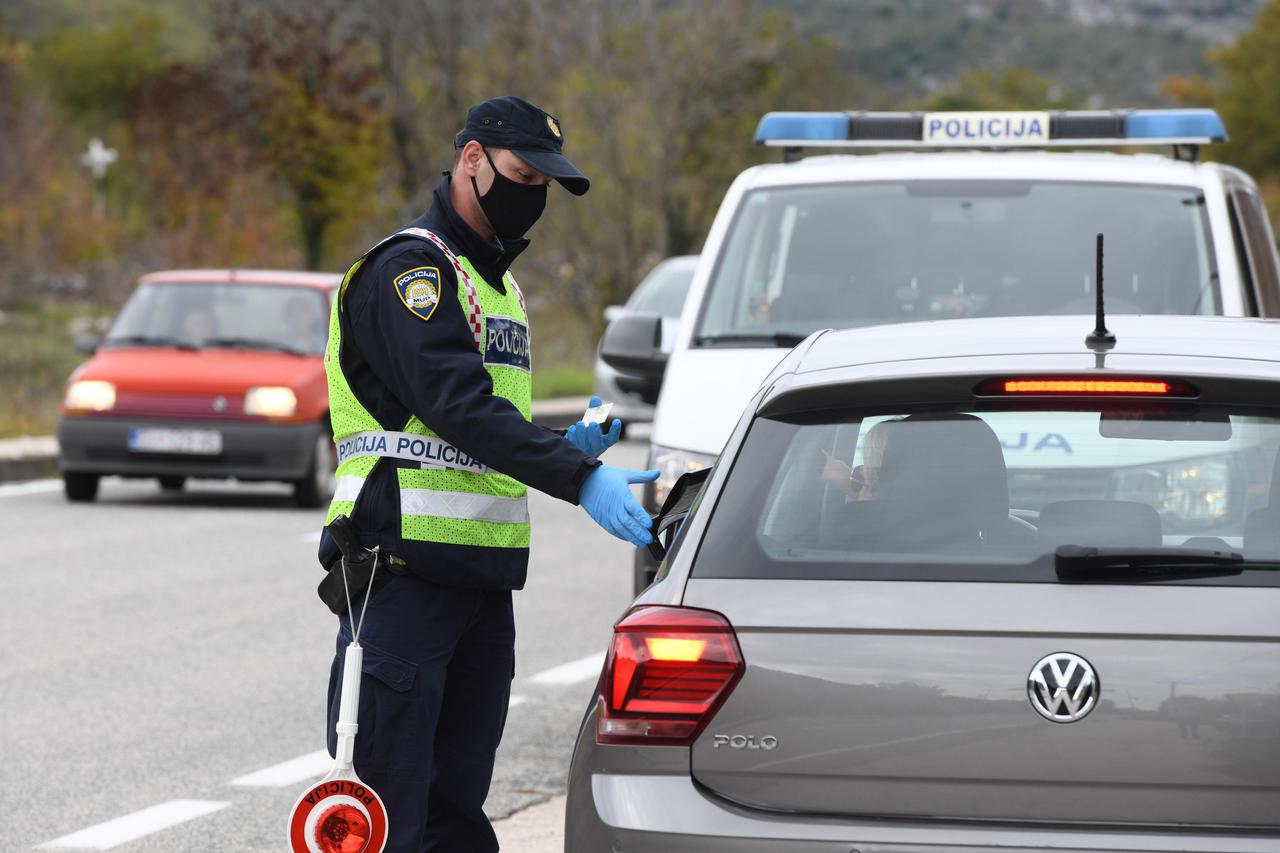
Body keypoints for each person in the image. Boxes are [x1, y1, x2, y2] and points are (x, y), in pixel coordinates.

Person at [317, 96, 657, 852]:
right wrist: (575, 475)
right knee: (385, 817)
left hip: (478, 584)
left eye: (544, 184)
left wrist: (569, 442)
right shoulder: (411, 271)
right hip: (399, 577)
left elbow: (475, 431)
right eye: (520, 174)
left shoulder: (498, 285)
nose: (530, 196)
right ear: (470, 158)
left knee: (457, 819)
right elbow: (456, 406)